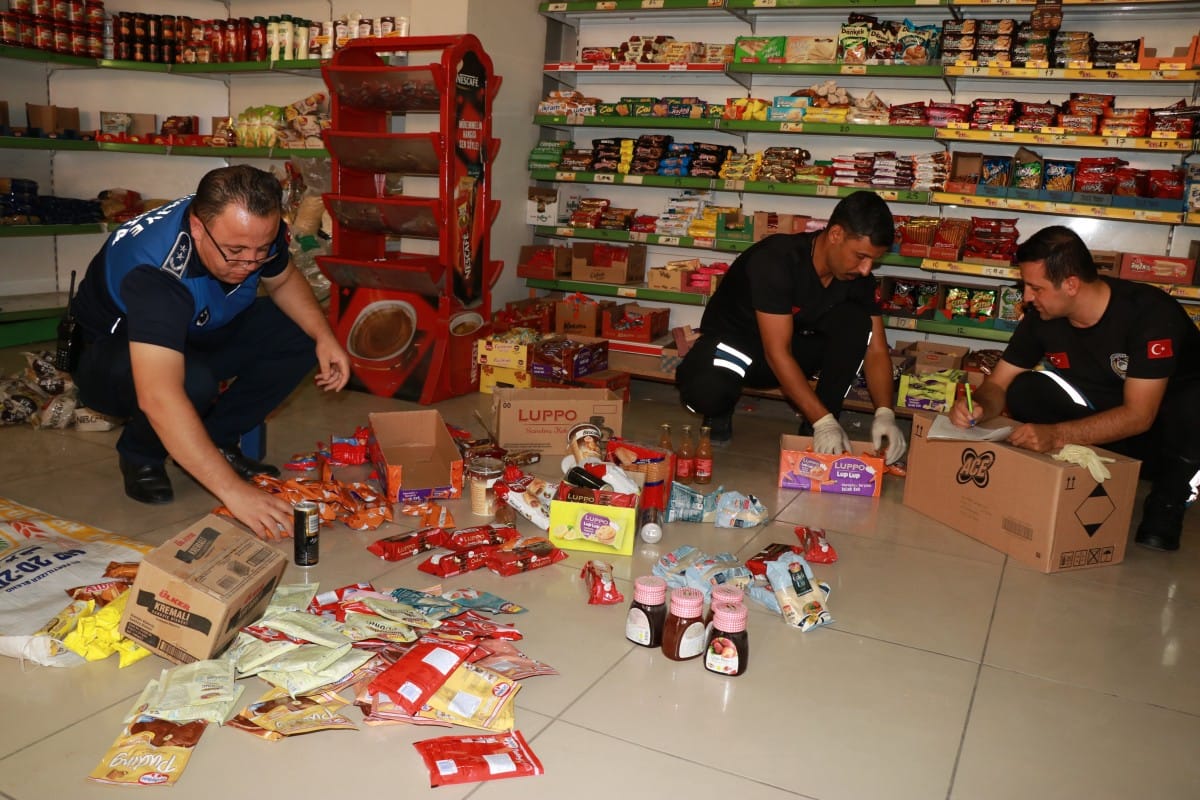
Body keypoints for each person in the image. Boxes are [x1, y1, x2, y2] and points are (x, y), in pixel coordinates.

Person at [71, 165, 351, 541]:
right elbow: (159, 396)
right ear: (199, 227)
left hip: (196, 327)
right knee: (190, 383)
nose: (250, 264)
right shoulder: (158, 272)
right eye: (235, 252)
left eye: (260, 251)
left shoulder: (251, 227)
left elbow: (281, 278)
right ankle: (140, 454)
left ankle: (216, 440)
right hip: (110, 356)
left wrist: (323, 336)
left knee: (298, 333)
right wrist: (235, 494)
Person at [948, 225, 1200, 552]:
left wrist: (1056, 434)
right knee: (1024, 388)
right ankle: (1084, 475)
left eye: (1034, 288)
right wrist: (979, 406)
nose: (1026, 297)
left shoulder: (1150, 314)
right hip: (1104, 420)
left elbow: (1140, 415)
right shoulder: (1041, 316)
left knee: (1194, 403)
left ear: (1070, 284)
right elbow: (998, 383)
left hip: (1167, 434)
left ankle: (1169, 500)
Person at [675, 191, 906, 465]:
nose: (866, 269)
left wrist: (885, 413)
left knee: (857, 322)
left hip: (787, 358)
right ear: (835, 235)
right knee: (707, 392)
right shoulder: (776, 260)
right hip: (736, 351)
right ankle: (723, 409)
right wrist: (824, 422)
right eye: (861, 256)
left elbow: (877, 349)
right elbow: (777, 352)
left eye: (873, 261)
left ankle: (819, 421)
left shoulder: (856, 278)